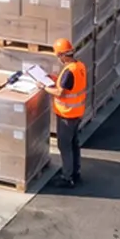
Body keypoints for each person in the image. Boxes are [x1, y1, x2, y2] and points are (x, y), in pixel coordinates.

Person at [43, 37, 87, 189]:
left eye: (58, 55)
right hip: (77, 112)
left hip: (67, 115)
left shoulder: (69, 72)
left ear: (62, 55)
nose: (58, 58)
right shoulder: (79, 66)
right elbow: (70, 85)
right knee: (74, 143)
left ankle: (67, 177)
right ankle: (75, 171)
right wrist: (55, 79)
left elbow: (60, 93)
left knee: (64, 145)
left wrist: (44, 87)